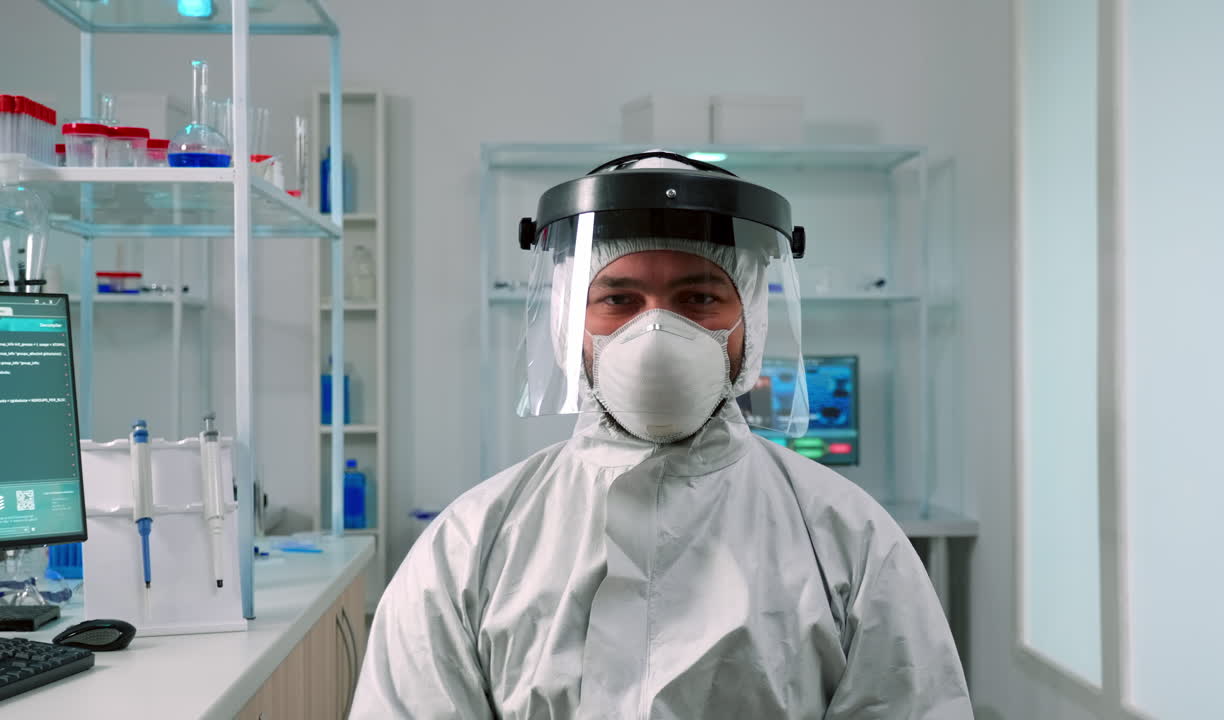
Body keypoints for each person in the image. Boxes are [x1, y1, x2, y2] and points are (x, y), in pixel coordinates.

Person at [351, 152, 973, 719]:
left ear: (749, 322)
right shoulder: (468, 549)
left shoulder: (850, 544)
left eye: (698, 297)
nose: (655, 335)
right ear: (572, 325)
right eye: (619, 299)